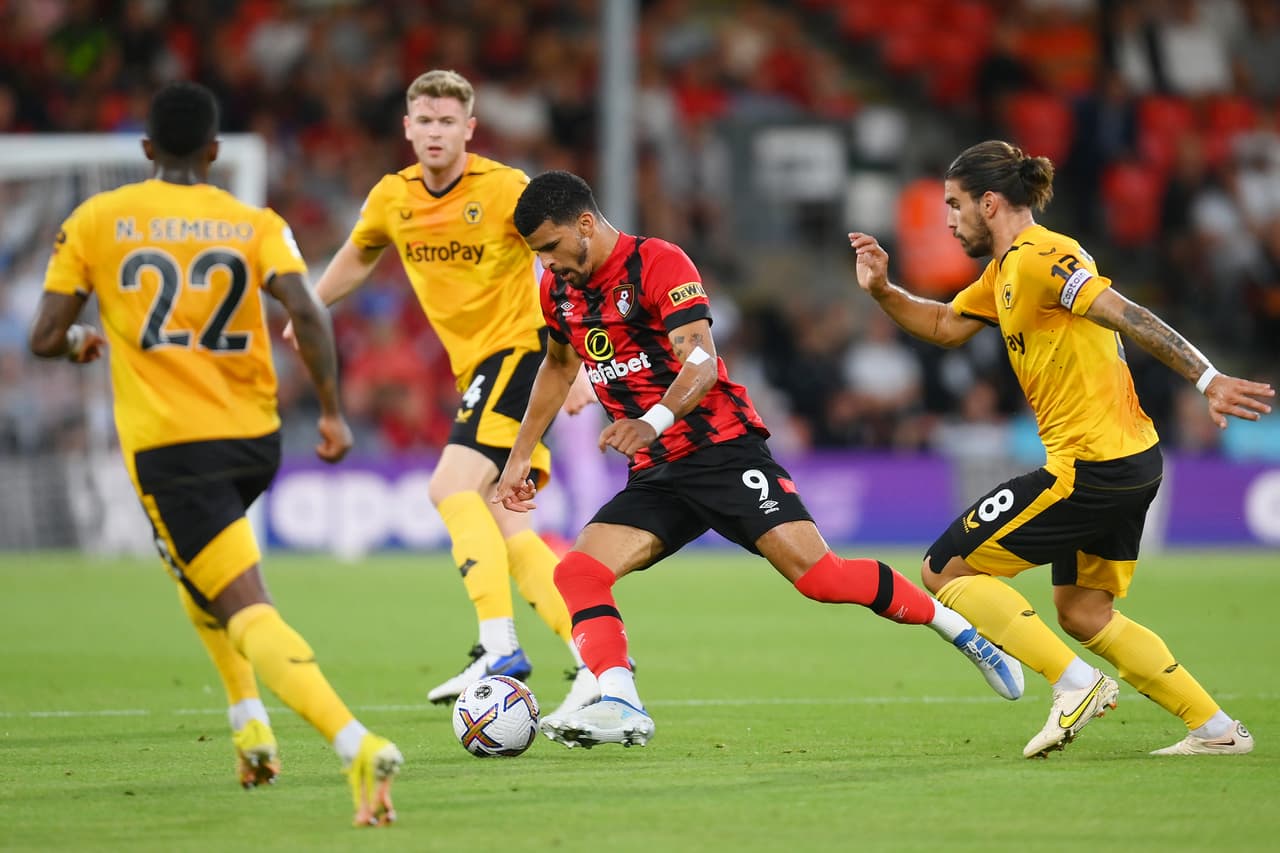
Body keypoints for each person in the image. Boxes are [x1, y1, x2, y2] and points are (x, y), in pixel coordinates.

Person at [494, 170, 1026, 749]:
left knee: (822, 579)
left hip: (722, 449)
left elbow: (701, 362)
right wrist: (520, 455)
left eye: (551, 247)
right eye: (537, 253)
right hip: (657, 472)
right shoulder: (559, 292)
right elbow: (558, 367)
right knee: (577, 571)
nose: (547, 264)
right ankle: (621, 701)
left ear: (585, 224)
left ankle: (962, 631)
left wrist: (650, 423)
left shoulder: (658, 263)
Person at [27, 82, 402, 824]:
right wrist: (331, 413)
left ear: (145, 149)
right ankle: (248, 722)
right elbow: (307, 311)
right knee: (197, 569)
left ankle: (353, 741)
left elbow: (43, 336)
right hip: (255, 439)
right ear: (214, 152)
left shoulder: (98, 218)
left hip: (174, 447)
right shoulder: (252, 221)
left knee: (243, 602)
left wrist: (77, 342)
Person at [849, 139, 1274, 758]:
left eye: (954, 205)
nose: (948, 221)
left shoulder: (1043, 255)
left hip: (1091, 467)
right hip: (1131, 460)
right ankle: (1216, 731)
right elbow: (943, 325)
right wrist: (884, 291)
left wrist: (1207, 379)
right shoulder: (1003, 273)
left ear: (989, 203)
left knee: (945, 568)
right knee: (1083, 612)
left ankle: (1075, 683)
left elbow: (1123, 311)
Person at [288, 69, 598, 715]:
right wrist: (312, 305)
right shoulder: (391, 197)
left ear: (468, 128)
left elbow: (569, 257)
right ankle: (598, 664)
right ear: (408, 127)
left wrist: (581, 364)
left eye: (447, 122)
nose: (435, 132)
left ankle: (499, 646)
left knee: (449, 487)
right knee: (511, 528)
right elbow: (360, 252)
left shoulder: (506, 188)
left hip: (521, 353)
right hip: (479, 368)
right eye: (425, 121)